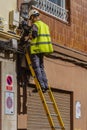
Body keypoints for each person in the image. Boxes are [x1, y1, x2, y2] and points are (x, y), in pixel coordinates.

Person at [25, 9, 53, 92]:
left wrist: (28, 37)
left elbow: (34, 35)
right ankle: (45, 84)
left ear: (33, 17)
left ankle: (41, 85)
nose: (31, 21)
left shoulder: (35, 25)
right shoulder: (45, 25)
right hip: (43, 49)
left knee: (36, 67)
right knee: (41, 67)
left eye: (31, 19)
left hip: (36, 49)